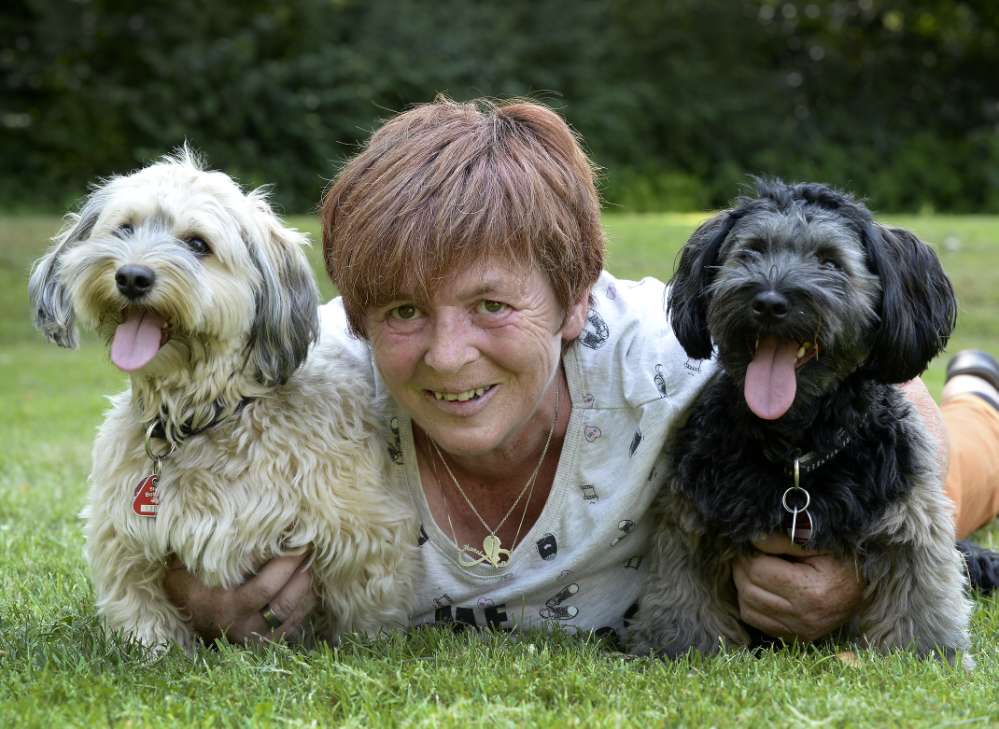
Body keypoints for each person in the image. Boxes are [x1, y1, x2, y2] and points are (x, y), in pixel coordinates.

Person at [163, 97, 999, 645]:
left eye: (492, 305)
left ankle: (982, 394)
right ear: (355, 314)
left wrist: (851, 580)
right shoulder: (304, 384)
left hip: (898, 436)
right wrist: (192, 592)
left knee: (969, 452)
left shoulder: (667, 355)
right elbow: (157, 471)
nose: (450, 355)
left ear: (574, 300)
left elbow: (886, 392)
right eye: (403, 312)